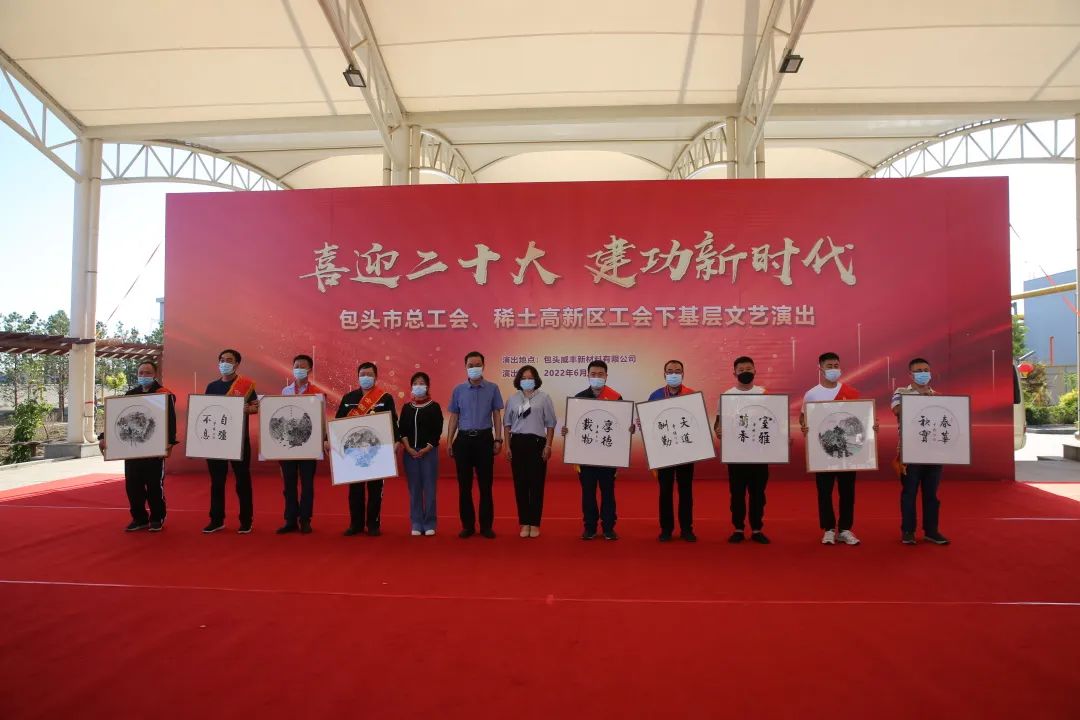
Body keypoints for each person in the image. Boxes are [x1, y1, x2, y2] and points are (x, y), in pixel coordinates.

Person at [800, 351, 875, 546]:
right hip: (823, 451)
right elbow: (803, 418)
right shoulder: (812, 393)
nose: (833, 369)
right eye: (829, 366)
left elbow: (859, 420)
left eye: (836, 366)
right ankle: (828, 529)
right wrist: (805, 427)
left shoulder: (851, 392)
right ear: (820, 368)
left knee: (847, 492)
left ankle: (845, 529)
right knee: (824, 492)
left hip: (847, 452)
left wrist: (871, 427)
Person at [98, 360, 177, 532]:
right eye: (141, 373)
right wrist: (104, 437)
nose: (144, 376)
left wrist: (169, 443)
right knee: (133, 486)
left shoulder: (164, 394)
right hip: (132, 449)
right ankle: (139, 518)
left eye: (148, 373)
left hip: (154, 449)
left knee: (154, 485)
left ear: (155, 374)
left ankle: (157, 517)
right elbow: (117, 419)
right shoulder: (130, 394)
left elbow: (170, 421)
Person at [562, 359, 635, 541]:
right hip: (585, 456)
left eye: (600, 374)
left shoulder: (616, 397)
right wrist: (566, 430)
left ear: (606, 376)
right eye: (593, 374)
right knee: (588, 493)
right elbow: (575, 426)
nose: (596, 377)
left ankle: (609, 528)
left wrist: (629, 428)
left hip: (608, 456)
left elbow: (621, 425)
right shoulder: (579, 398)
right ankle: (590, 527)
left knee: (608, 492)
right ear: (588, 376)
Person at [892, 357, 950, 546]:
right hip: (909, 453)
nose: (923, 374)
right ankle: (908, 531)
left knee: (931, 494)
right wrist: (922, 398)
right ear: (910, 374)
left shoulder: (938, 396)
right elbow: (897, 410)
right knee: (909, 493)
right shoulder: (901, 392)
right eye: (918, 371)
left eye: (926, 370)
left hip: (934, 452)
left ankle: (931, 531)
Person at [337, 361, 399, 537]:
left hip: (377, 451)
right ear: (358, 377)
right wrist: (328, 439)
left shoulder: (385, 398)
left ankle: (373, 524)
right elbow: (338, 421)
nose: (366, 377)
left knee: (375, 489)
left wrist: (396, 441)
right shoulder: (349, 398)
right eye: (362, 374)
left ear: (376, 377)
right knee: (355, 490)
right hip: (354, 451)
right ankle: (355, 524)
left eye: (369, 374)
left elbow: (393, 421)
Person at [446, 351, 504, 539]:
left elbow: (497, 415)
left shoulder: (493, 388)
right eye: (470, 365)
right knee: (464, 487)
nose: (474, 368)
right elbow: (454, 416)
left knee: (486, 486)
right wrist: (449, 441)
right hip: (463, 441)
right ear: (465, 367)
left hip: (484, 440)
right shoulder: (458, 390)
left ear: (484, 366)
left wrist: (498, 439)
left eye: (478, 365)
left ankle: (486, 526)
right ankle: (468, 526)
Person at [713, 356, 771, 545]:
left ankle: (757, 529)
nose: (745, 372)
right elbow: (718, 424)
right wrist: (718, 431)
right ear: (734, 373)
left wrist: (781, 438)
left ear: (755, 371)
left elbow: (773, 420)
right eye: (741, 369)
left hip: (759, 454)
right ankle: (738, 528)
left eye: (748, 369)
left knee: (758, 494)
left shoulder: (764, 394)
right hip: (736, 455)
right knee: (737, 494)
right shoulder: (727, 396)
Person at [203, 349, 258, 534]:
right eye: (222, 360)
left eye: (229, 360)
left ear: (236, 364)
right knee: (217, 482)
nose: (224, 363)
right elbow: (205, 410)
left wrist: (245, 409)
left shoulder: (246, 385)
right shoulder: (212, 386)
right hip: (216, 440)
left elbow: (255, 408)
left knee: (242, 481)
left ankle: (246, 520)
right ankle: (216, 520)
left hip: (239, 440)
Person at [648, 359, 698, 542]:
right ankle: (666, 529)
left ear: (683, 374)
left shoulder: (691, 395)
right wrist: (644, 423)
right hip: (664, 451)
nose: (673, 374)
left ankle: (686, 529)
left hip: (686, 451)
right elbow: (650, 422)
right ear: (664, 374)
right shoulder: (655, 395)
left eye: (677, 371)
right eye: (670, 371)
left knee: (685, 491)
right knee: (665, 491)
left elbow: (697, 423)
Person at [504, 365, 557, 538]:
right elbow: (507, 424)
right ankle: (524, 523)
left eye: (530, 378)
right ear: (519, 380)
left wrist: (548, 446)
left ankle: (534, 523)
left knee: (536, 484)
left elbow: (551, 424)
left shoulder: (544, 398)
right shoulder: (513, 399)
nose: (527, 381)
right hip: (517, 443)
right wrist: (507, 446)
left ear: (536, 380)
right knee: (520, 484)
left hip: (537, 444)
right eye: (524, 378)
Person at [276, 354, 321, 535]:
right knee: (289, 483)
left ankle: (305, 519)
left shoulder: (317, 392)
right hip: (288, 444)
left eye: (303, 366)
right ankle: (290, 520)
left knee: (307, 484)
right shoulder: (286, 391)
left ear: (309, 369)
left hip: (309, 444)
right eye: (296, 366)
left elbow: (319, 419)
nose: (299, 369)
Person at [399, 371, 443, 536]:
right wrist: (408, 447)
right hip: (410, 453)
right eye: (415, 383)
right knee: (414, 489)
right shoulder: (406, 408)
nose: (418, 386)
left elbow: (437, 430)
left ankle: (429, 522)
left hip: (428, 453)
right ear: (411, 387)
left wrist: (427, 448)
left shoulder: (434, 407)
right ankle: (416, 522)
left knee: (430, 489)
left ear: (427, 387)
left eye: (421, 383)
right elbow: (402, 430)